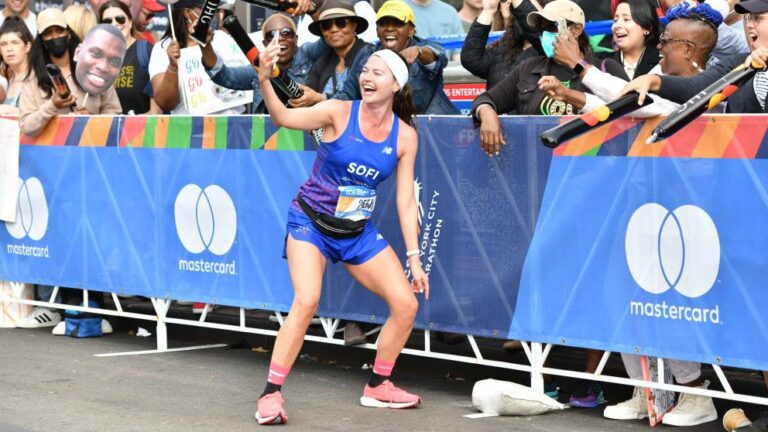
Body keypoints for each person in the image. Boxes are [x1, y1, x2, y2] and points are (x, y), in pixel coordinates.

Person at [254, 39, 428, 424]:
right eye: (364, 71)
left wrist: (415, 260)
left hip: (356, 233)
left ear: (395, 85)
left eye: (376, 73)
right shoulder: (336, 111)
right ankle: (270, 394)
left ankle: (378, 385)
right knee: (307, 301)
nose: (367, 77)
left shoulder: (405, 137)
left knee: (406, 304)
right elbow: (283, 118)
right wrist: (266, 80)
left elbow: (403, 201)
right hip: (310, 222)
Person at [620, 0, 768, 114]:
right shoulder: (738, 62)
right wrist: (654, 81)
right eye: (748, 18)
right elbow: (696, 88)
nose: (749, 25)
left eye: (758, 19)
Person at [339, 0, 459, 114]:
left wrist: (419, 52)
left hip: (430, 129)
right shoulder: (367, 53)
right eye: (383, 23)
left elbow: (438, 56)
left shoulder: (422, 48)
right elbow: (348, 95)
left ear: (411, 30)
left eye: (398, 23)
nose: (390, 28)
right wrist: (325, 101)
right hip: (381, 127)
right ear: (376, 30)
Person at [19, 10, 122, 137]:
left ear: (68, 33)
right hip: (50, 154)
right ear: (42, 40)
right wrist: (52, 106)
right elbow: (26, 127)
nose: (55, 36)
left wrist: (91, 120)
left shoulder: (96, 69)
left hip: (91, 152)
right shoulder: (33, 78)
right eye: (48, 33)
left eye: (59, 30)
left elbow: (114, 113)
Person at [201, 13, 311, 113]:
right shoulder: (257, 70)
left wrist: (313, 10)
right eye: (272, 35)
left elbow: (327, 37)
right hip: (267, 133)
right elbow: (222, 75)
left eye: (286, 32)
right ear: (265, 43)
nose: (280, 38)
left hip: (304, 132)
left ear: (296, 39)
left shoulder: (309, 55)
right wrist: (205, 45)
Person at [291, 0, 371, 107]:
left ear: (354, 25)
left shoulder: (369, 55)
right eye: (326, 25)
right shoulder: (321, 63)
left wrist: (320, 98)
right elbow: (309, 95)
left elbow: (355, 96)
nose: (333, 29)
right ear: (322, 31)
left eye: (341, 23)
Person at [461, 0, 539, 90]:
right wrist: (488, 11)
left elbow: (537, 32)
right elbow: (471, 60)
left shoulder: (549, 49)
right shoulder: (504, 48)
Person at [99, 0, 160, 114]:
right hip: (109, 130)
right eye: (107, 21)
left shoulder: (147, 51)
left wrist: (132, 124)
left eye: (120, 19)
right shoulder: (99, 60)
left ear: (130, 22)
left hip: (143, 129)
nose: (114, 24)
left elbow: (156, 112)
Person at [612, 0, 661, 79]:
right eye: (615, 20)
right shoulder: (602, 63)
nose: (617, 25)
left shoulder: (663, 62)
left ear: (647, 28)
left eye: (626, 19)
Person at [0, 16, 33, 110]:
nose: (9, 49)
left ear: (27, 46)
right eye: (3, 44)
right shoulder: (11, 77)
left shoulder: (36, 77)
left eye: (15, 42)